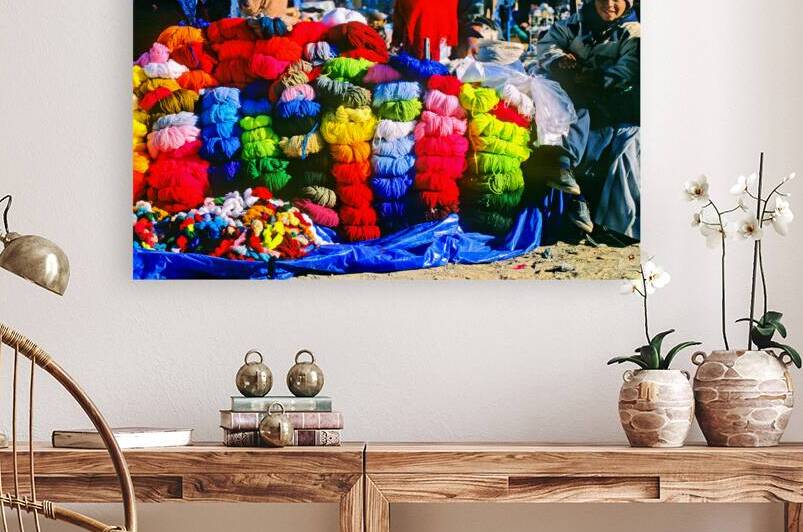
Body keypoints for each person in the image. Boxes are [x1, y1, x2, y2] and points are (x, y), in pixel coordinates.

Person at [535, 0, 640, 242]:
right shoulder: (575, 24)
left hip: (609, 97)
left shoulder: (631, 33)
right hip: (570, 90)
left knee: (595, 128)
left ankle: (576, 193)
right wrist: (560, 60)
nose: (610, 5)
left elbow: (627, 69)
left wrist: (596, 78)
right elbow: (547, 44)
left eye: (618, 0)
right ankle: (566, 179)